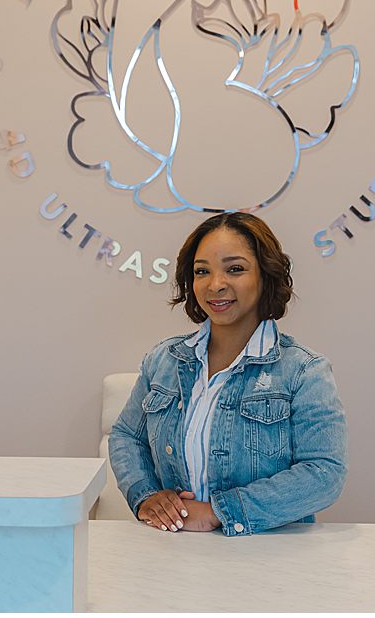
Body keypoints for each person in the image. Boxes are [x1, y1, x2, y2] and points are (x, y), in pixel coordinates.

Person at [109, 212, 346, 536]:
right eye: (202, 271)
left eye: (235, 269)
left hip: (270, 560)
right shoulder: (163, 360)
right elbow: (126, 435)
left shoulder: (304, 371)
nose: (216, 284)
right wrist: (145, 495)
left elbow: (324, 474)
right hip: (173, 553)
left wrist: (218, 512)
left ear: (266, 276)